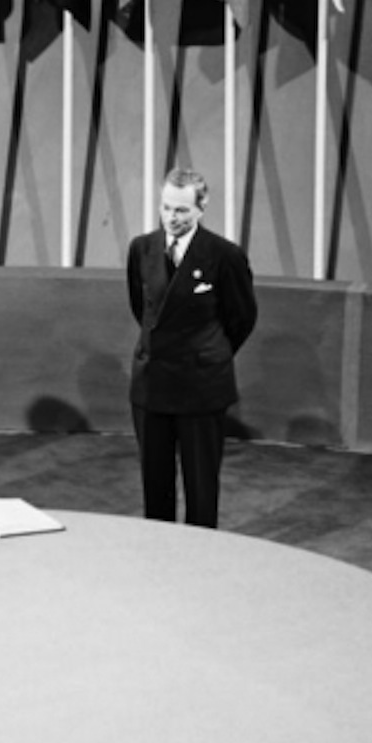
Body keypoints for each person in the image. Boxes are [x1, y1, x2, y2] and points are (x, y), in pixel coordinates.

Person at [126, 167, 258, 528]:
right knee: (156, 486)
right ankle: (158, 559)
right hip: (152, 386)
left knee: (201, 489)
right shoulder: (142, 249)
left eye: (181, 210)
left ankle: (202, 564)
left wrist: (208, 354)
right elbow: (143, 309)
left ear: (202, 207)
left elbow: (241, 317)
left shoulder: (224, 256)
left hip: (201, 388)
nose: (172, 217)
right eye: (166, 207)